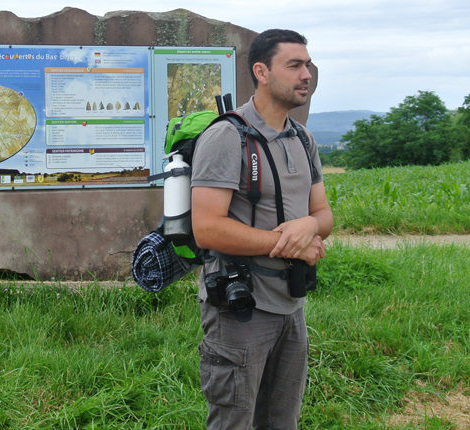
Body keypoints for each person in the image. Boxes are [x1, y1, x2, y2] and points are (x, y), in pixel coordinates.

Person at [190, 29, 333, 429]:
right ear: (262, 72)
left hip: (291, 304)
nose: (306, 74)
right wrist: (291, 244)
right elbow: (207, 229)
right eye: (294, 65)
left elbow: (324, 215)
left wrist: (309, 225)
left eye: (308, 65)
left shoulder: (302, 138)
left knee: (281, 421)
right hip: (241, 309)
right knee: (234, 421)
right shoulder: (226, 137)